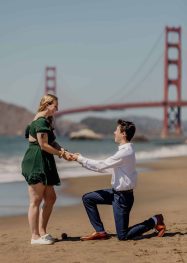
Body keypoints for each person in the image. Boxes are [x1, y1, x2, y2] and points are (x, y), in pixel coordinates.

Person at [70, 119, 166, 241]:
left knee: (123, 236)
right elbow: (106, 168)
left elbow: (101, 165)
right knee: (88, 198)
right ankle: (100, 232)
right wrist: (80, 160)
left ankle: (154, 220)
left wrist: (80, 158)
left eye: (116, 130)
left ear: (123, 133)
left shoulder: (125, 152)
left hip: (123, 199)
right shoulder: (124, 150)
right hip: (115, 194)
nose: (114, 132)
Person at [22, 94, 70, 245]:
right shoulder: (40, 121)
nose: (56, 109)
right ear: (47, 105)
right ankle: (34, 237)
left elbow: (52, 142)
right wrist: (61, 154)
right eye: (55, 106)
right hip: (37, 161)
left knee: (50, 198)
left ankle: (42, 231)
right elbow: (43, 145)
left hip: (45, 161)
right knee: (35, 200)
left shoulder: (46, 121)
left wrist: (65, 151)